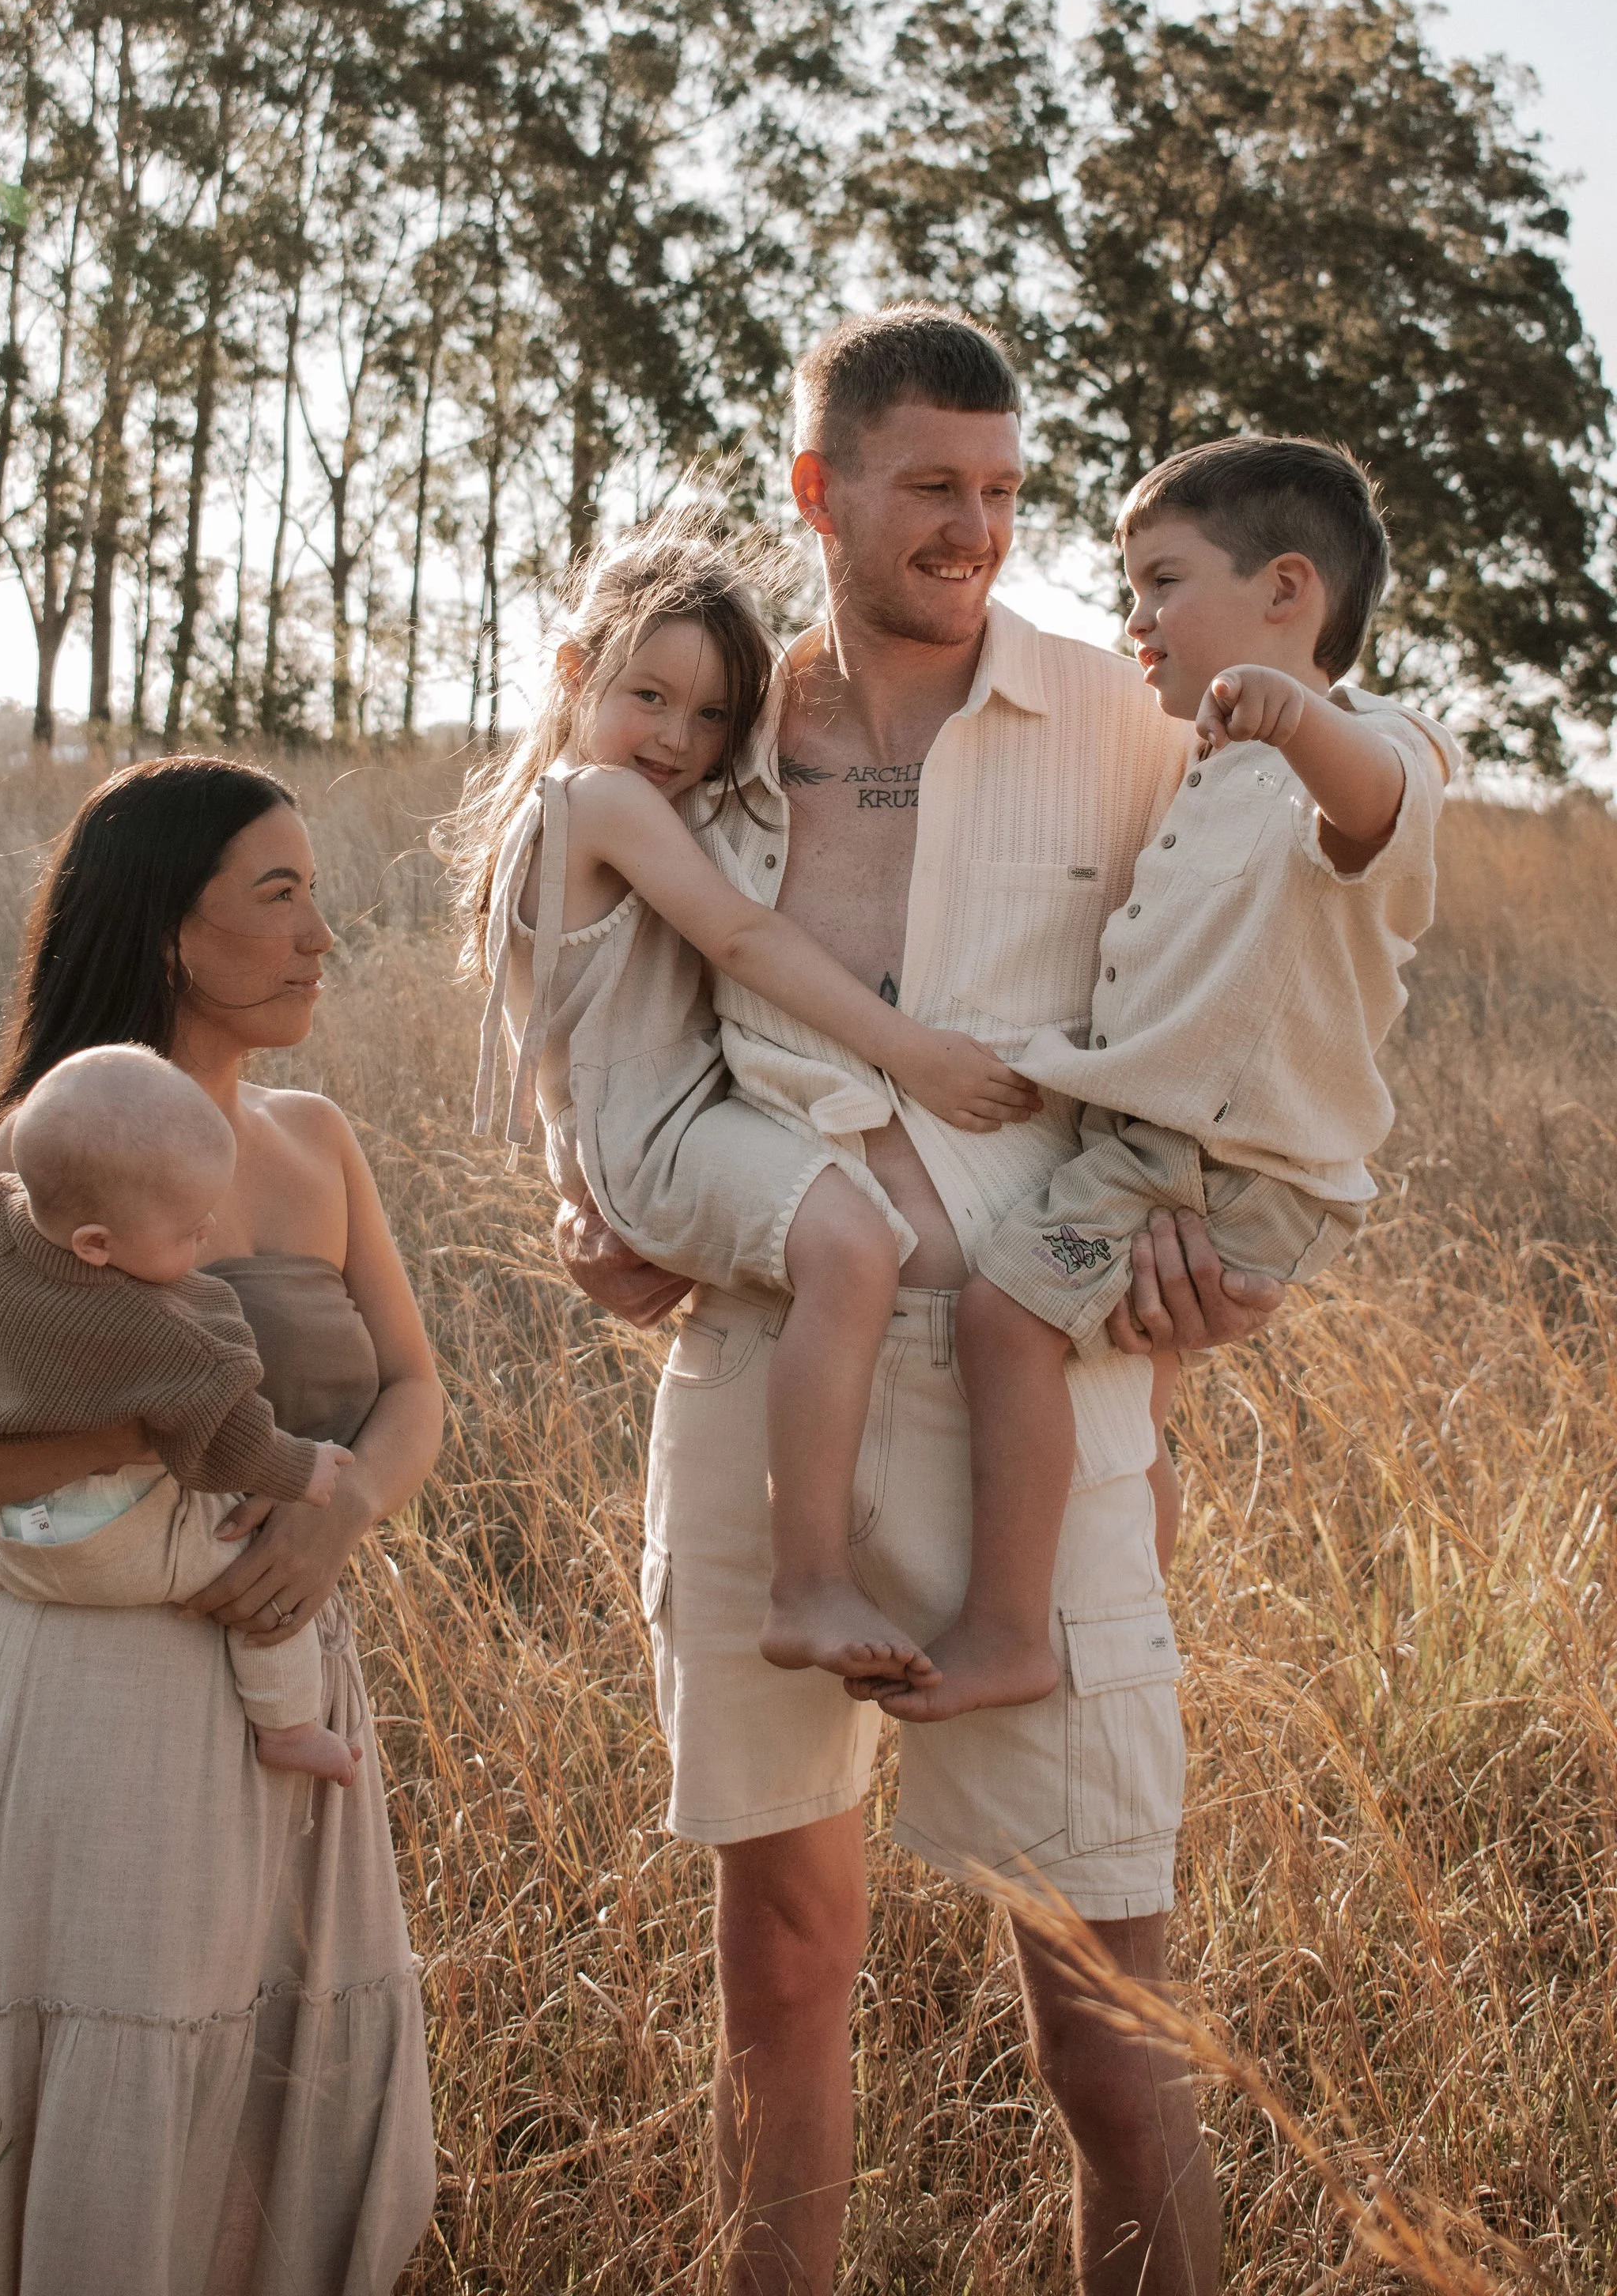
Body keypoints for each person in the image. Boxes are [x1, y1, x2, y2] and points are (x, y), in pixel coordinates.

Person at [558, 304, 1283, 2296]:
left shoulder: (1118, 719)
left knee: (1107, 2023)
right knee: (779, 1976)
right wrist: (589, 1208)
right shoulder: (699, 729)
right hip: (759, 1392)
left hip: (1027, 1400)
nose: (973, 529)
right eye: (926, 490)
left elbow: (1255, 996)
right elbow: (606, 1041)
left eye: (999, 488)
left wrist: (1220, 1256)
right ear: (819, 492)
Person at [0, 757, 442, 2296]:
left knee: (261, 2100)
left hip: (283, 1660)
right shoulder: (56, 1147)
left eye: (317, 897)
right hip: (94, 1704)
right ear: (168, 932)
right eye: (279, 898)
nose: (321, 935)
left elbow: (412, 1391)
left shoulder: (317, 1139)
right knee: (104, 2089)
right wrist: (166, 1415)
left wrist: (335, 1525)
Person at [871, 436, 1459, 1719]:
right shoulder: (1207, 763)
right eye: (1129, 590)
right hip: (1174, 1143)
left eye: (1162, 584)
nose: (1135, 621)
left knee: (1001, 1321)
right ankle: (1121, 1620)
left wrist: (1293, 712)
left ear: (1287, 593)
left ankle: (1012, 1630)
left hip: (1223, 1163)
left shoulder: (1360, 746)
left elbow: (1373, 811)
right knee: (1129, 1410)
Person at [449, 506, 1041, 1691]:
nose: (679, 736)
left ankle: (830, 1566)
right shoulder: (595, 803)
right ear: (576, 674)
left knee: (855, 1236)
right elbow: (739, 936)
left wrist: (577, 1180)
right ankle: (807, 1580)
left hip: (653, 1134)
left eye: (715, 713)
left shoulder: (612, 806)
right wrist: (912, 1054)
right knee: (857, 1244)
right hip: (659, 1141)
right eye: (650, 696)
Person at [0, 1043, 361, 1784]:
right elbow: (228, 1437)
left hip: (7, 1536)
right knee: (263, 1596)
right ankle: (288, 1729)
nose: (206, 1234)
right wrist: (301, 1469)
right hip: (130, 1551)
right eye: (189, 1229)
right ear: (97, 1244)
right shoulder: (173, 1330)